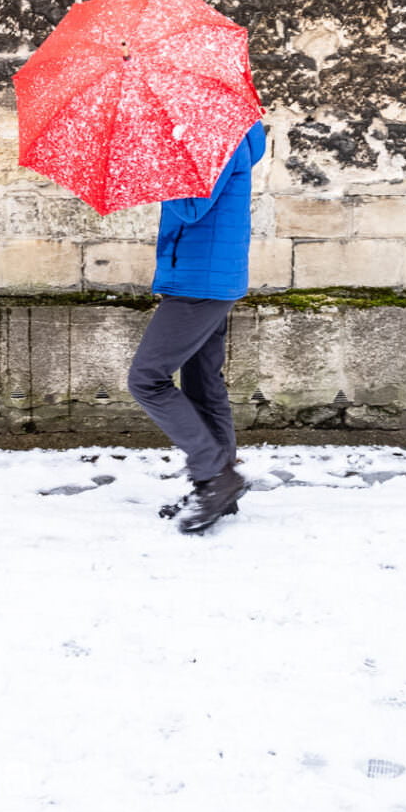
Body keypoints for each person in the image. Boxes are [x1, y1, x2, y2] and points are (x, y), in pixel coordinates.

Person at [128, 120, 267, 534]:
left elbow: (192, 206)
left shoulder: (215, 132)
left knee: (146, 379)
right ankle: (217, 487)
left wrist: (155, 160)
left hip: (200, 280)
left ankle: (216, 474)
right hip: (204, 275)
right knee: (202, 382)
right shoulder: (215, 131)